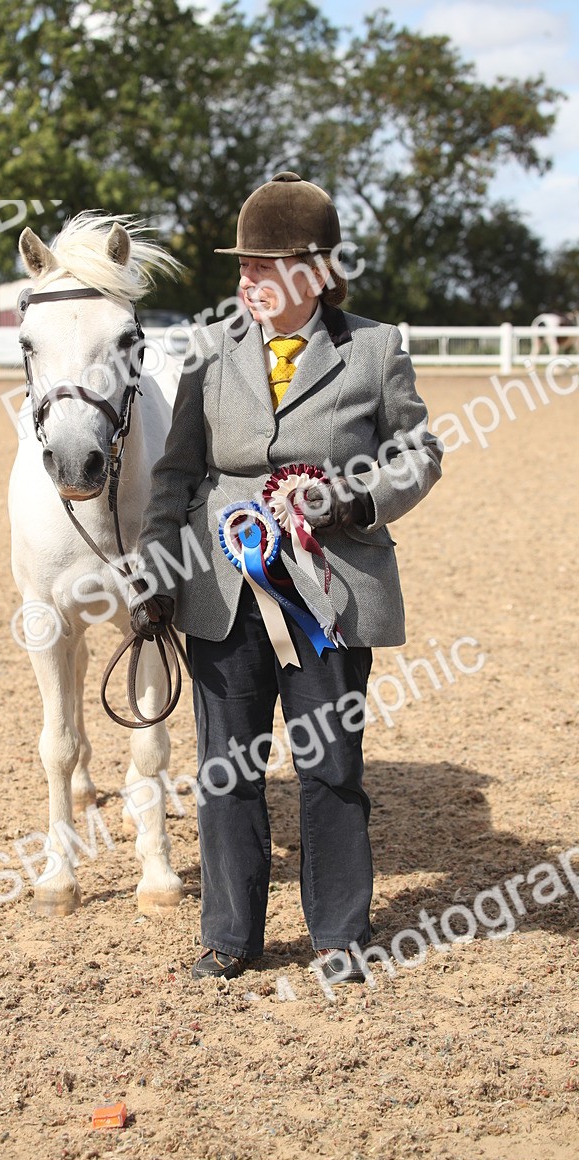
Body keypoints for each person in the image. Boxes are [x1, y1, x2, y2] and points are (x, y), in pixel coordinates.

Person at [131, 172, 443, 983]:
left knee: (331, 767)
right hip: (223, 588)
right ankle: (230, 937)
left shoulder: (374, 350)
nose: (246, 280)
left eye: (263, 267)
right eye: (244, 267)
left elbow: (420, 452)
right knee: (226, 770)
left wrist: (356, 502)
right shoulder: (210, 352)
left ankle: (340, 934)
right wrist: (157, 568)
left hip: (329, 594)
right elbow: (175, 475)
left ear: (312, 272)